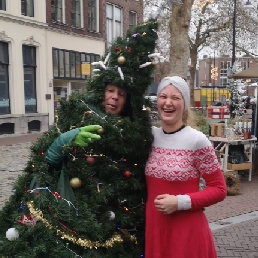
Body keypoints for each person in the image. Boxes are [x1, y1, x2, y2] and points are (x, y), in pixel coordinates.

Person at [145, 75, 227, 258]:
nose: (168, 103)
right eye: (163, 96)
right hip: (155, 231)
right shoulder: (149, 137)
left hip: (187, 234)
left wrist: (179, 202)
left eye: (175, 98)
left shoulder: (197, 140)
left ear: (184, 103)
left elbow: (219, 189)